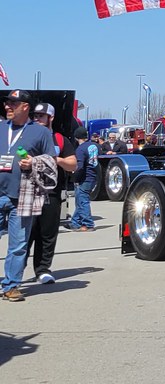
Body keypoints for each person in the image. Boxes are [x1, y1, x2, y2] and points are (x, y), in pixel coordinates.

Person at [1, 89, 55, 302]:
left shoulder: (41, 133)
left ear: (25, 107)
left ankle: (11, 286)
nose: (7, 106)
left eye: (13, 103)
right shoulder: (0, 127)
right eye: (7, 103)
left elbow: (51, 162)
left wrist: (34, 162)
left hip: (22, 196)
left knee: (18, 244)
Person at [27, 102, 77, 285]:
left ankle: (43, 270)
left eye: (41, 116)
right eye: (35, 116)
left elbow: (73, 164)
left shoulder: (60, 139)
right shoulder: (26, 137)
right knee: (25, 233)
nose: (37, 119)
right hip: (29, 192)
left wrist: (56, 160)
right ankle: (14, 273)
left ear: (51, 118)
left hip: (53, 193)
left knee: (47, 234)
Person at [67, 127, 98, 232]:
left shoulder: (80, 149)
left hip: (84, 178)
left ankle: (88, 223)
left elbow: (79, 166)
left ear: (76, 138)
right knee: (80, 200)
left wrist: (74, 175)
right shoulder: (94, 146)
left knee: (83, 201)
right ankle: (75, 222)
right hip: (93, 176)